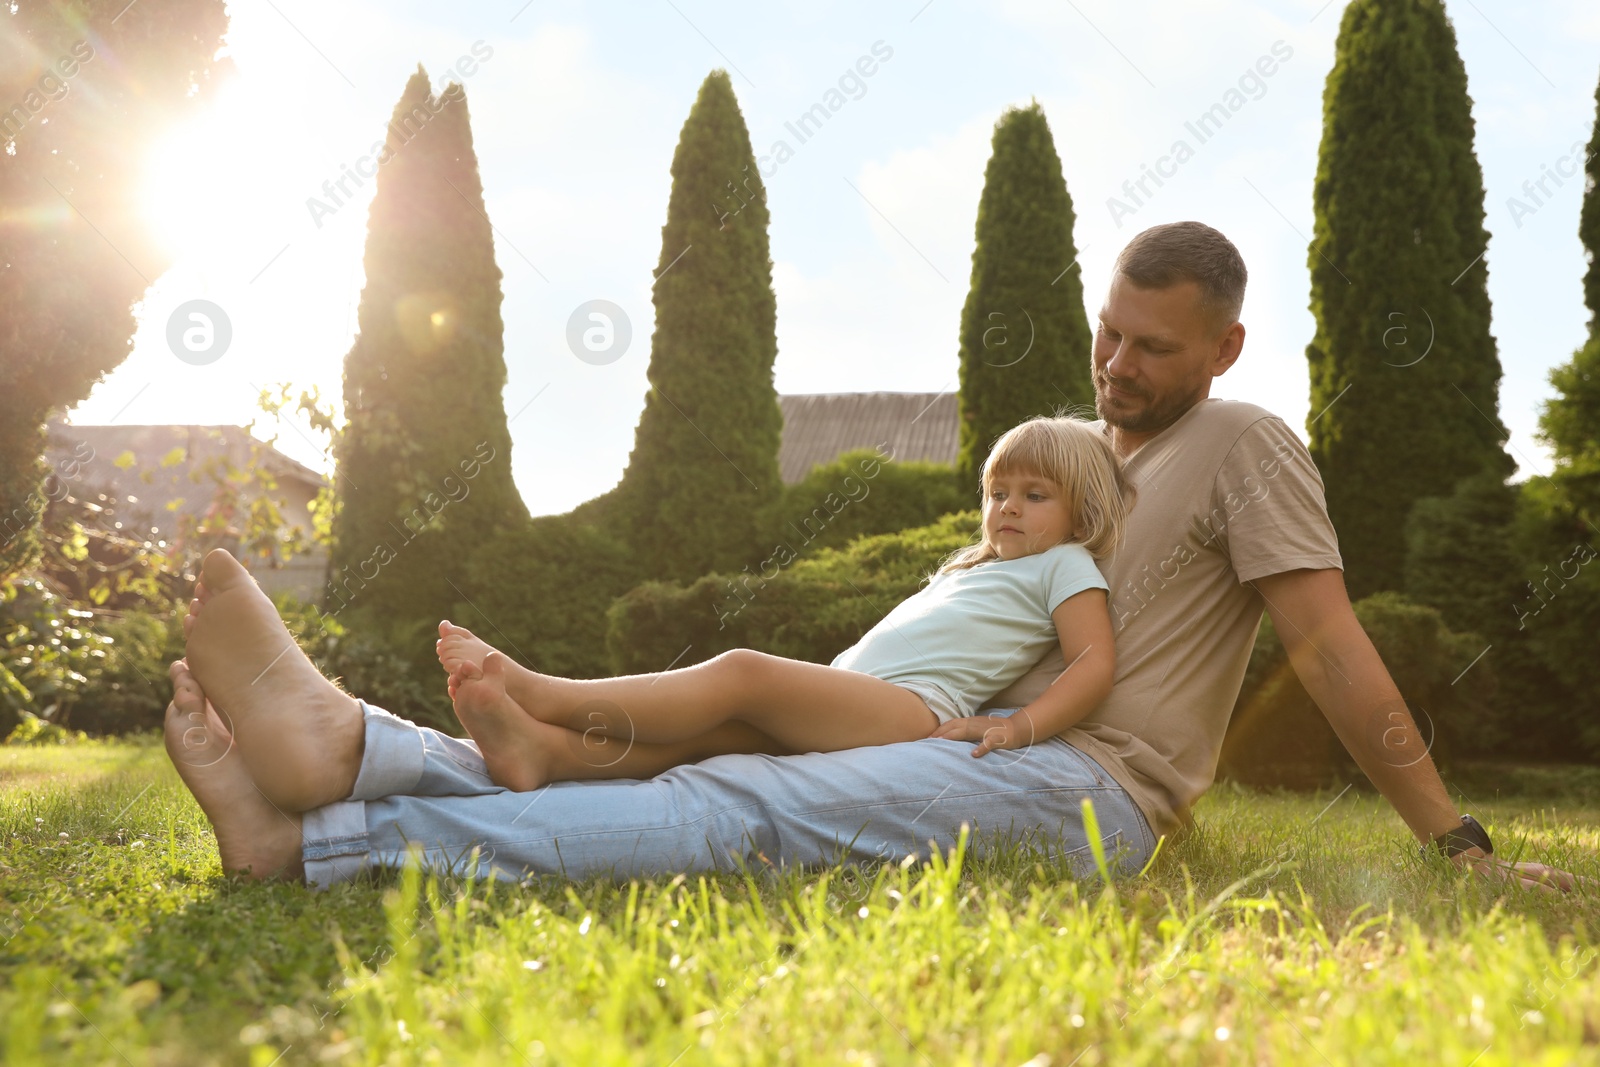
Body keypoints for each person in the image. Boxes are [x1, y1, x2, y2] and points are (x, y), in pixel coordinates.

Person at [164, 220, 1584, 894]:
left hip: (1075, 781)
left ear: (1224, 344)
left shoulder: (1250, 442)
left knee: (743, 802)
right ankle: (355, 748)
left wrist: (1450, 837)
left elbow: (1327, 644)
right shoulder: (1082, 470)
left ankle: (323, 838)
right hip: (998, 750)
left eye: (1156, 346)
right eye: (1109, 332)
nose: (1119, 364)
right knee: (682, 748)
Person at [438, 415, 1133, 792]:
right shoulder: (973, 567)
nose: (1008, 506)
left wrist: (1019, 727)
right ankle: (545, 753)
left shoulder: (1065, 563)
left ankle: (539, 691)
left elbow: (1093, 663)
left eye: (1034, 494)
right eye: (997, 492)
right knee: (701, 742)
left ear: (1081, 512)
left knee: (741, 671)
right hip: (860, 693)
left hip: (908, 707)